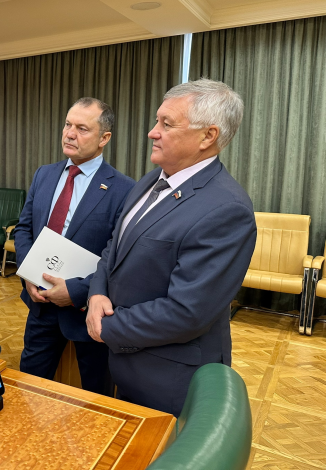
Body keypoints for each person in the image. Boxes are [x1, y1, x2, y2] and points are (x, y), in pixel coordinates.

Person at [85, 79, 257, 416]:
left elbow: (187, 312)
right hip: (124, 363)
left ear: (208, 136)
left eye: (167, 124)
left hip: (167, 379)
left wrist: (106, 327)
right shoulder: (151, 179)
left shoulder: (227, 209)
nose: (152, 132)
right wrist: (97, 294)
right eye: (156, 121)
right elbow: (114, 248)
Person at [13, 98, 135, 395]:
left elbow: (117, 256)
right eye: (68, 124)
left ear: (104, 138)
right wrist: (29, 273)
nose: (69, 133)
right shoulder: (44, 174)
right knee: (28, 388)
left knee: (95, 396)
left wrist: (77, 290)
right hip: (40, 303)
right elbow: (24, 228)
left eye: (82, 128)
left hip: (87, 312)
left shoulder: (124, 189)